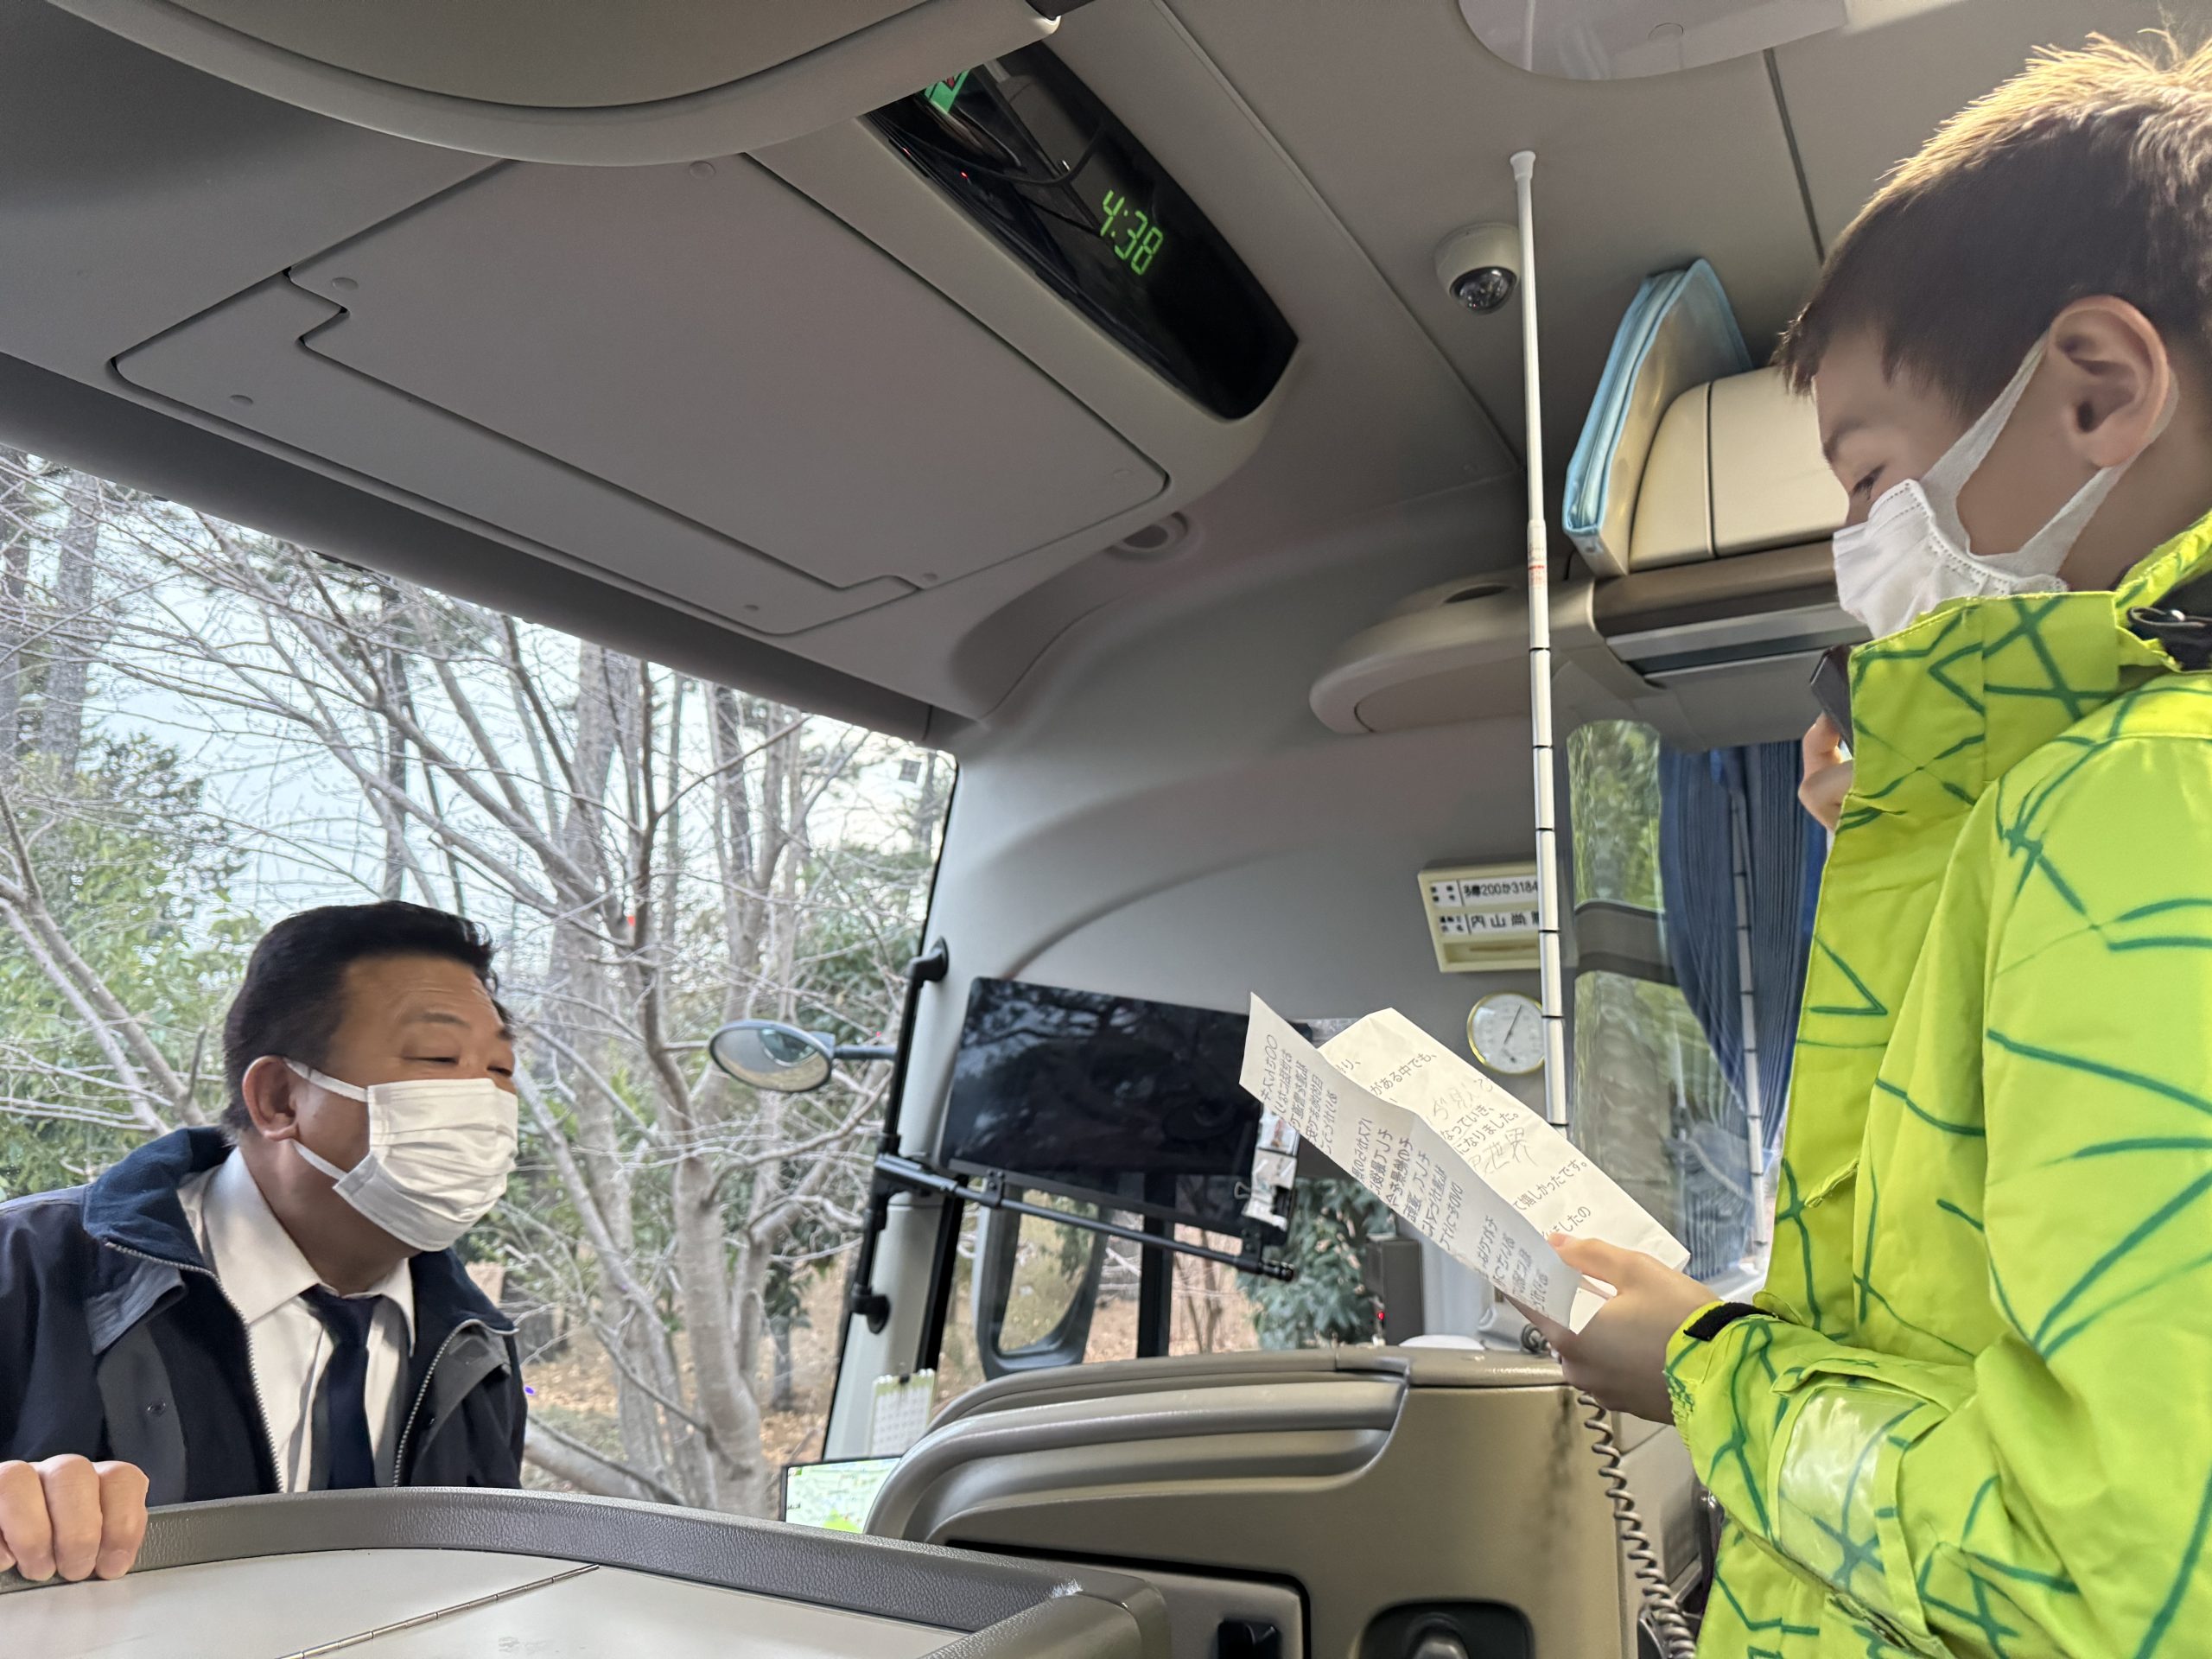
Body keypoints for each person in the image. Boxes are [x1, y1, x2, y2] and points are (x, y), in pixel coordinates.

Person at [1521, 33, 2212, 1657]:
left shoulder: (2139, 809)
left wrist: (1702, 1366)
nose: (1853, 551)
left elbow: (2102, 1577)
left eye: (1869, 479)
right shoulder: (2083, 807)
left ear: (2100, 392)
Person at [0, 900, 526, 1583]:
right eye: (438, 1057)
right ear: (279, 1098)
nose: (484, 1103)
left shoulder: (477, 1347)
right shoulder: (29, 1270)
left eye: (501, 1071)